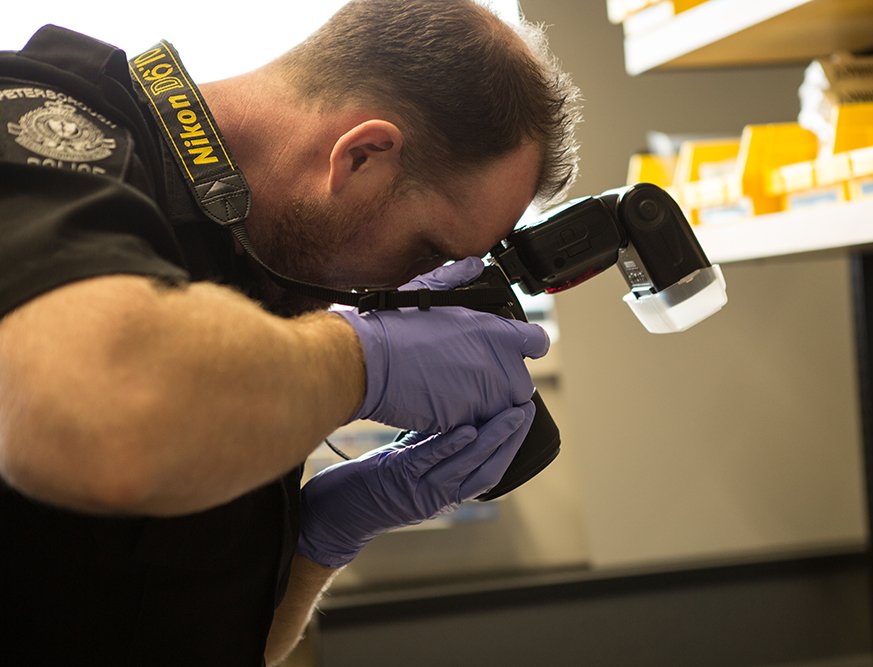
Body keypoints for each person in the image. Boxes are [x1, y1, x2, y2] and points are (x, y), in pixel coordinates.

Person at [0, 0, 581, 664]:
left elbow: (215, 632)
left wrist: (322, 538)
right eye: (425, 252)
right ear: (361, 156)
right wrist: (362, 362)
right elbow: (105, 420)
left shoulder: (266, 278)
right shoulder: (39, 121)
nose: (411, 288)